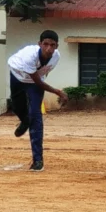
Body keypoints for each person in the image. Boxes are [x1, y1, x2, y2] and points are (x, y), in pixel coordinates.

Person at [7, 31, 68, 172]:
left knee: (36, 116)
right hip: (18, 74)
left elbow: (42, 76)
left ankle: (38, 160)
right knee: (17, 107)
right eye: (45, 44)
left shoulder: (56, 57)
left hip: (35, 82)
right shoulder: (29, 56)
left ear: (57, 46)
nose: (49, 49)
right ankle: (25, 120)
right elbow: (38, 82)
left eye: (52, 45)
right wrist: (58, 92)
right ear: (39, 44)